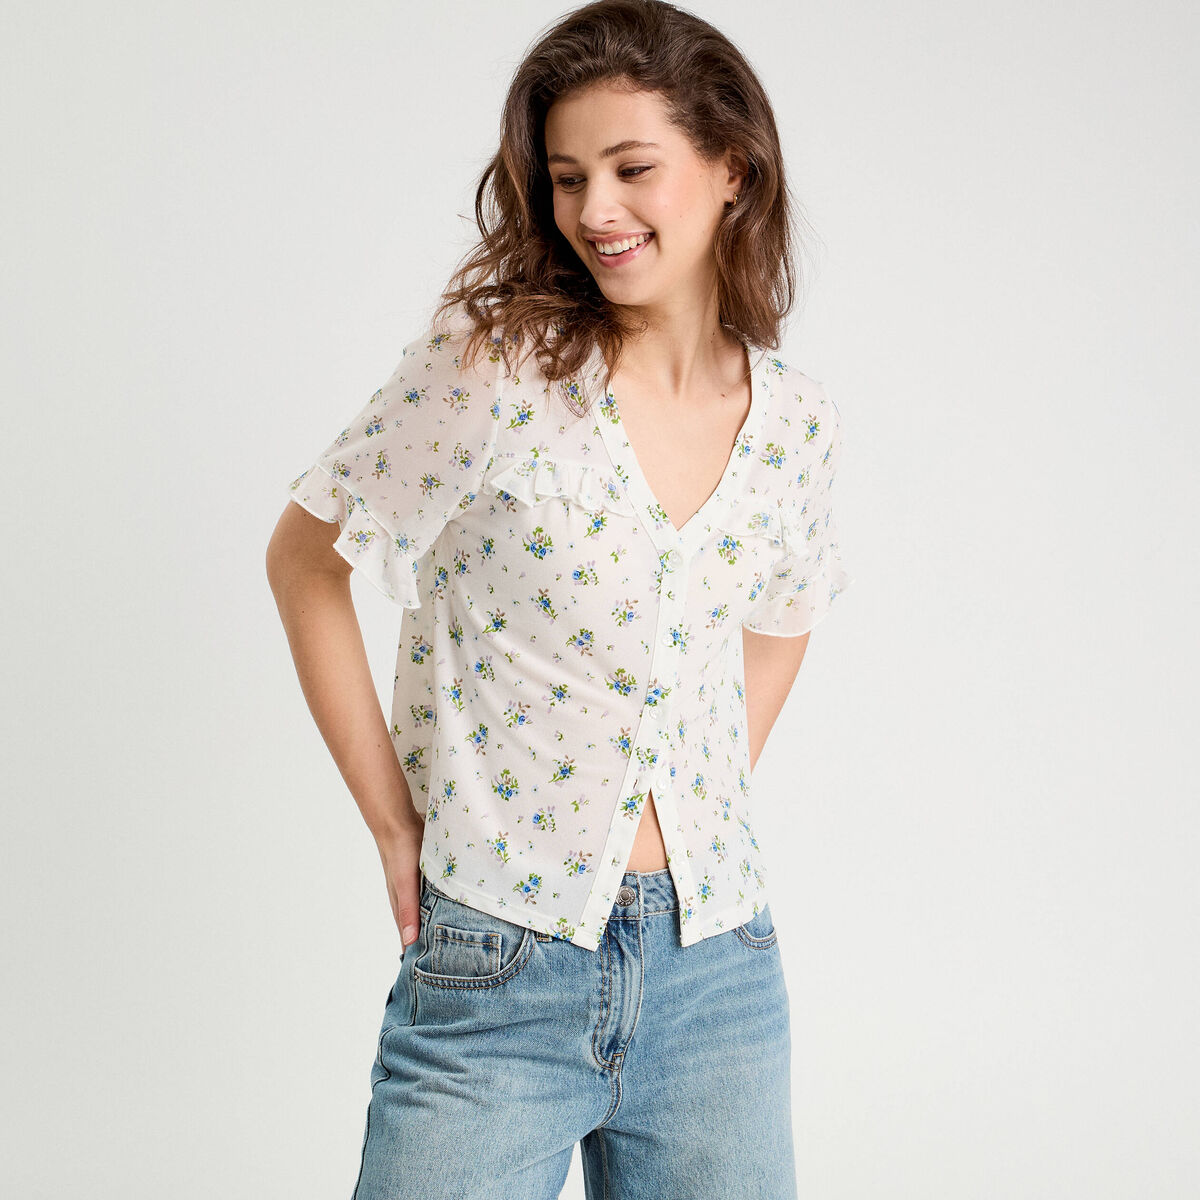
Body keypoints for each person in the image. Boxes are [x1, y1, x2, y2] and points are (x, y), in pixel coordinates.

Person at [266, 1, 853, 1195]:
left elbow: (785, 619)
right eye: (569, 176)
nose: (595, 211)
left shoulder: (796, 422)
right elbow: (305, 562)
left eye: (633, 169)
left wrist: (691, 787)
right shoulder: (495, 369)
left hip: (720, 975)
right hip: (496, 961)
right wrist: (396, 828)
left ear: (732, 170)